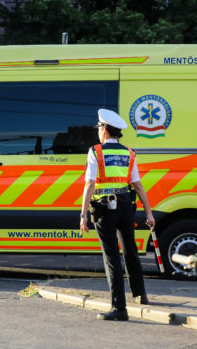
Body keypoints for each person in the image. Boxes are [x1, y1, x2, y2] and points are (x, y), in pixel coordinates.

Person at [80, 109, 156, 321]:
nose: (98, 131)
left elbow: (90, 183)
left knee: (111, 256)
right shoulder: (129, 153)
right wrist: (149, 213)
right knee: (130, 250)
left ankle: (119, 308)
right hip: (125, 207)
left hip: (104, 210)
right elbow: (138, 186)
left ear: (104, 130)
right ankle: (140, 295)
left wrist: (83, 214)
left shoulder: (95, 152)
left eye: (99, 128)